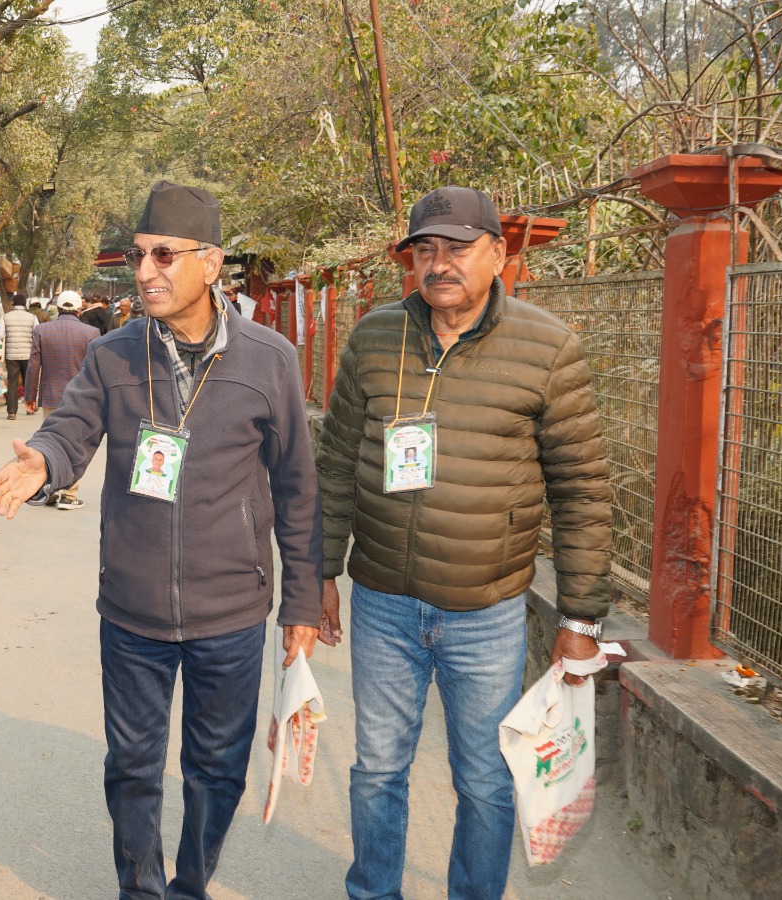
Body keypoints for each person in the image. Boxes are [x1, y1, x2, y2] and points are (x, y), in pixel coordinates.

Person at [0, 181, 323, 899]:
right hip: (132, 610)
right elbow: (72, 426)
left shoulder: (269, 359)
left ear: (211, 262)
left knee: (217, 770)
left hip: (231, 612)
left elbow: (297, 487)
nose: (144, 272)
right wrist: (43, 459)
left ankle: (191, 885)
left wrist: (300, 603)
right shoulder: (113, 354)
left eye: (163, 255)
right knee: (133, 768)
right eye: (138, 255)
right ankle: (140, 889)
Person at [313, 186, 614, 900]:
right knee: (377, 770)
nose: (439, 263)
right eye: (425, 249)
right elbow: (335, 463)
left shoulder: (548, 349)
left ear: (499, 253)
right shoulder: (375, 338)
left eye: (457, 247)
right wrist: (319, 571)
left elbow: (581, 489)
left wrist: (581, 619)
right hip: (383, 601)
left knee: (483, 779)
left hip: (486, 611)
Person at [23, 290, 100, 510]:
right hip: (80, 397)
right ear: (79, 308)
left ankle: (51, 488)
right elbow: (95, 369)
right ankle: (69, 494)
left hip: (50, 395)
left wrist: (30, 396)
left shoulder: (42, 330)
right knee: (76, 444)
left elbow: (33, 366)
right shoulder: (91, 332)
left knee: (51, 441)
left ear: (58, 308)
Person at [0, 294, 40, 421]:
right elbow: (37, 334)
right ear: (25, 304)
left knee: (12, 382)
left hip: (11, 355)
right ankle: (30, 408)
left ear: (13, 303)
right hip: (28, 354)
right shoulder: (32, 317)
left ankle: (12, 412)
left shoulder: (6, 317)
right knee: (28, 381)